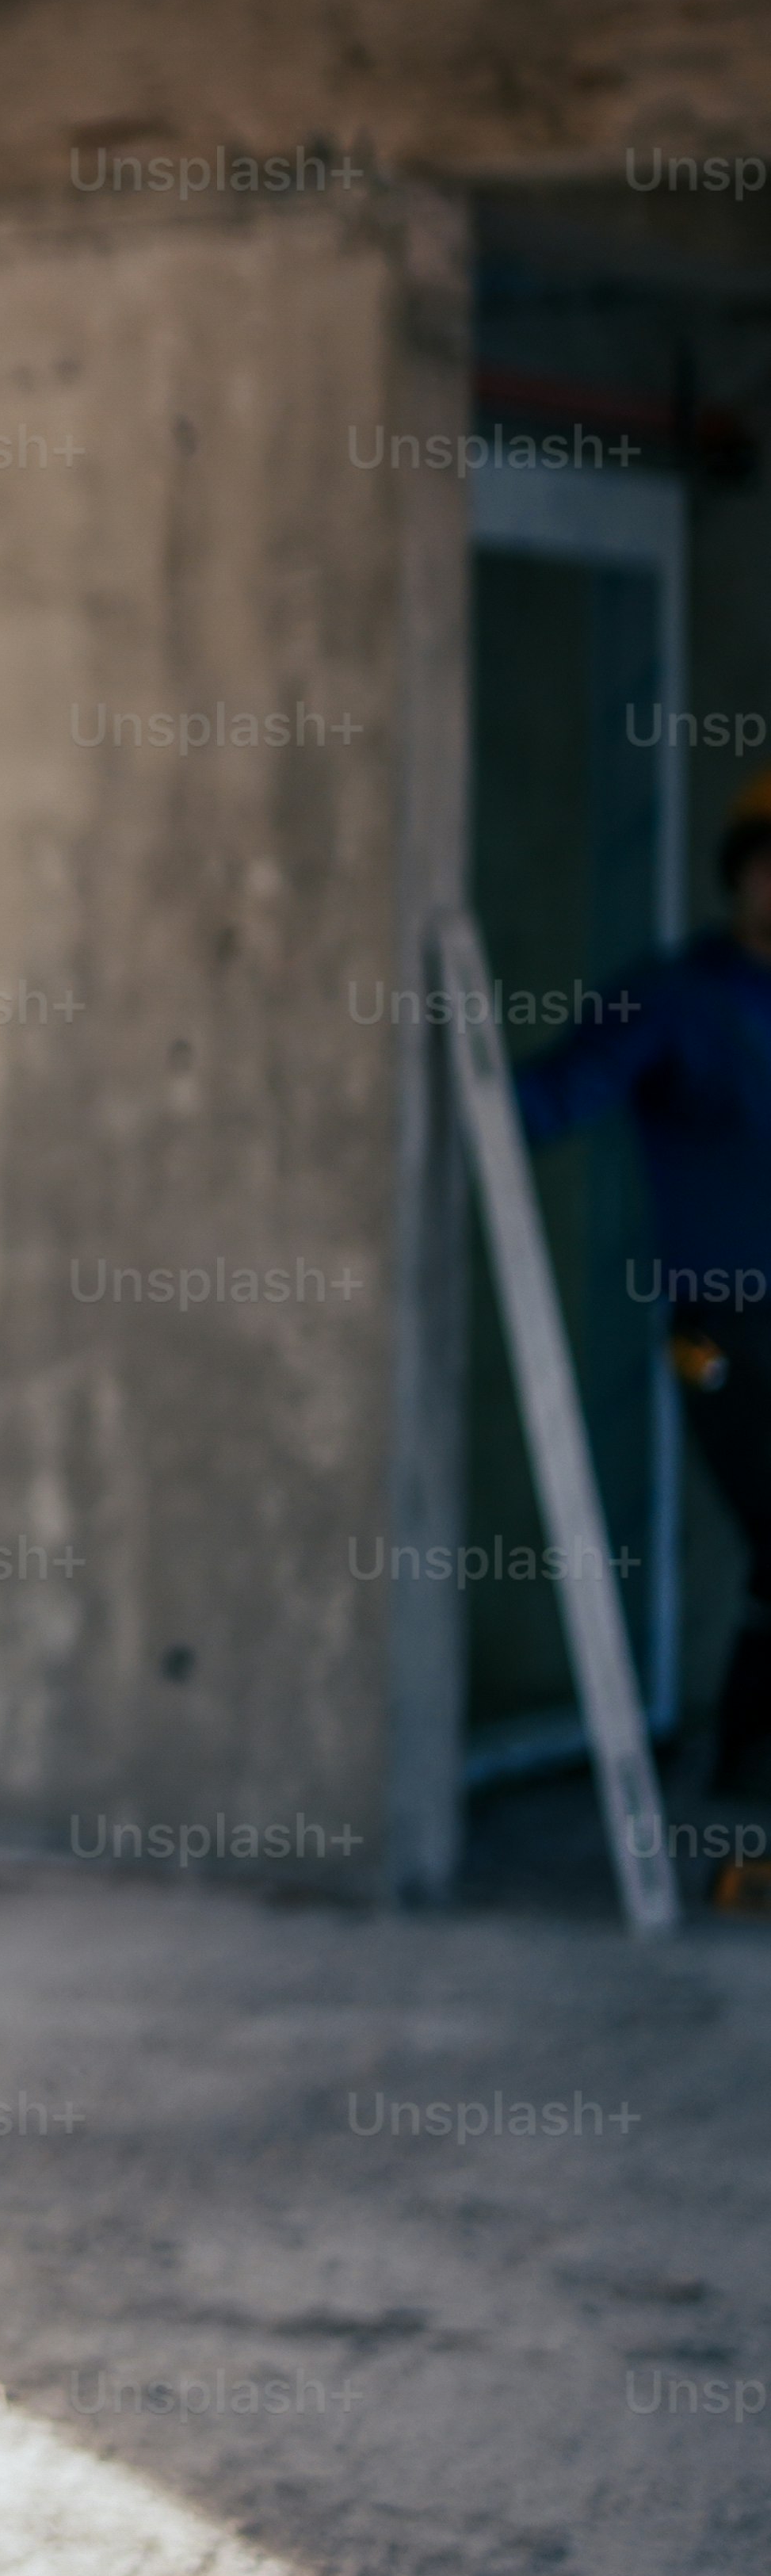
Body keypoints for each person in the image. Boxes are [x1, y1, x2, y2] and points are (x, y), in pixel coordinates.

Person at [512, 766, 771, 1805]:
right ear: (741, 878)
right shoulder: (676, 996)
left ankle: (750, 1797)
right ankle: (748, 1798)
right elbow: (552, 1096)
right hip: (724, 1326)